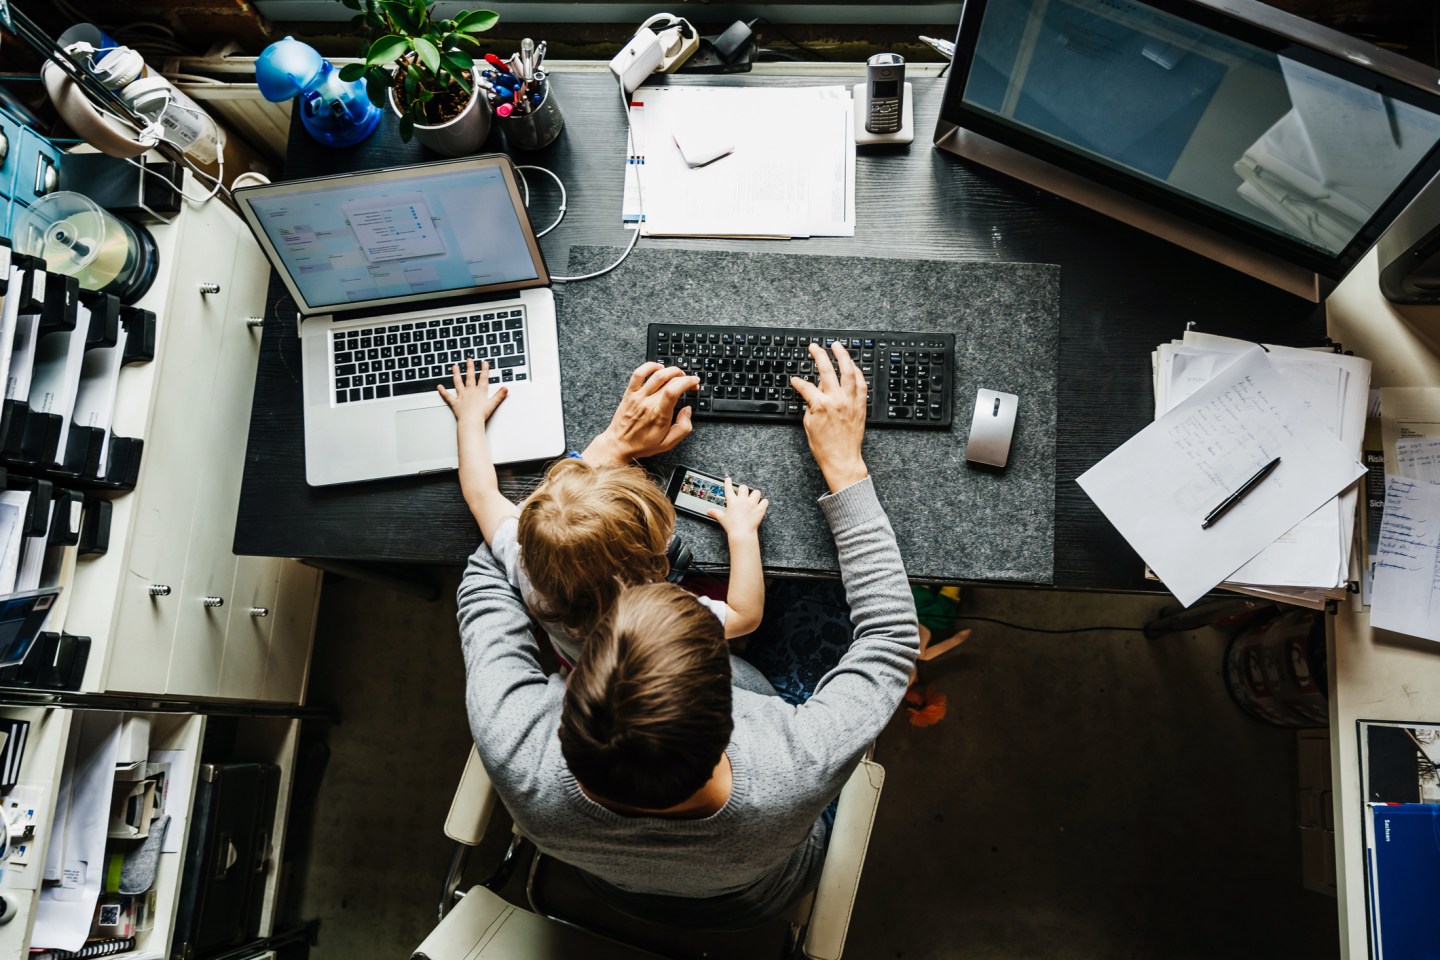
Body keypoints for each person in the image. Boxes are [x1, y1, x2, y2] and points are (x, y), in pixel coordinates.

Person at [456, 341, 921, 927]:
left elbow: (490, 572)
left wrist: (602, 458)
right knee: (819, 600)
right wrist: (844, 467)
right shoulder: (793, 765)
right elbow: (891, 641)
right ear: (732, 709)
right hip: (758, 894)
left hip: (612, 890)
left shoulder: (513, 745)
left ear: (565, 703)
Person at [439, 358, 769, 664]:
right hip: (646, 658)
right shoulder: (661, 616)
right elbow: (745, 616)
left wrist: (469, 420)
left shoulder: (522, 555)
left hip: (579, 657)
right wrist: (742, 534)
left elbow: (481, 494)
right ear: (655, 564)